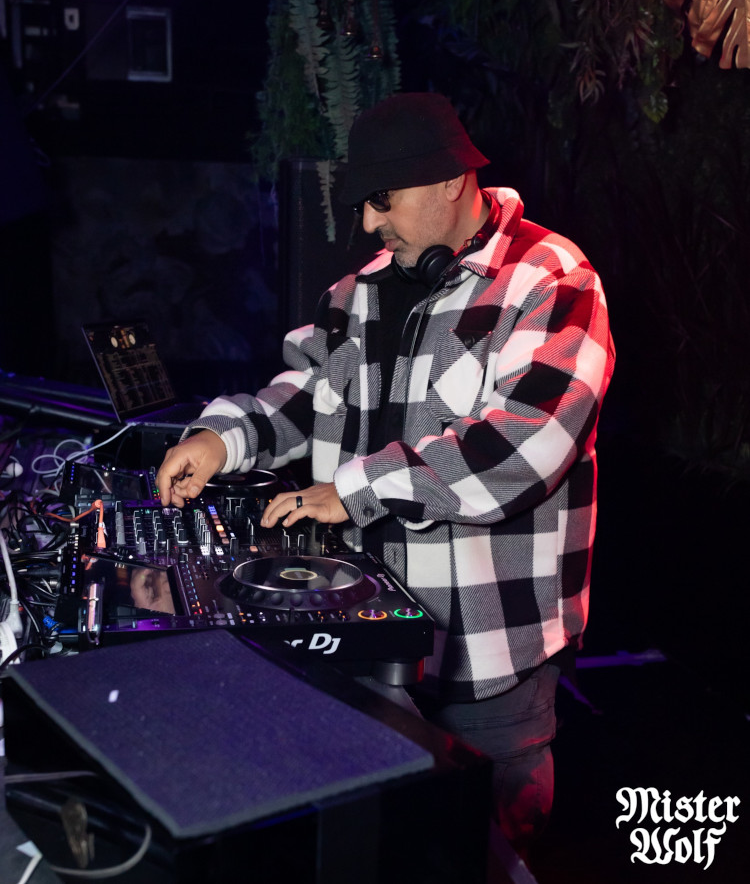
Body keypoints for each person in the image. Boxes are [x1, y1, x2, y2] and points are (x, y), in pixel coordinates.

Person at [156, 92, 615, 854]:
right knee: (381, 850)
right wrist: (221, 439)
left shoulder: (551, 281)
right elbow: (301, 396)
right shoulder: (358, 293)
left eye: (383, 200)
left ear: (450, 180)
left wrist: (355, 490)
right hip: (370, 649)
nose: (370, 223)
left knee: (490, 853)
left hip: (489, 659)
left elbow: (521, 448)